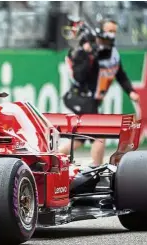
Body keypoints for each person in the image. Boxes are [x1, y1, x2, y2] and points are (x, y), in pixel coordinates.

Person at [60, 19, 140, 167]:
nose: (112, 35)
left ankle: (51, 159)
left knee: (78, 140)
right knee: (99, 134)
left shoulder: (113, 54)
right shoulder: (84, 51)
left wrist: (131, 92)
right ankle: (96, 168)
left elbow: (120, 75)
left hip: (92, 100)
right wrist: (88, 54)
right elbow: (79, 76)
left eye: (114, 31)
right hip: (80, 97)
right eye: (109, 31)